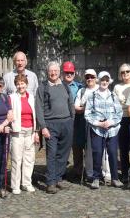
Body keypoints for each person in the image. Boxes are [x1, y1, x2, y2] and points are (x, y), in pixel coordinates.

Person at [35, 61, 74, 194]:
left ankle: (58, 178)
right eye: (51, 71)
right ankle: (50, 182)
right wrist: (43, 127)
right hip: (51, 125)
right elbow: (38, 108)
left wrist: (71, 120)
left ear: (59, 72)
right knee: (51, 154)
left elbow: (71, 103)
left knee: (63, 153)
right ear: (47, 72)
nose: (53, 73)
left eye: (56, 71)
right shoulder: (43, 87)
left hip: (67, 123)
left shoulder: (64, 85)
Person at [84, 71, 123, 189]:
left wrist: (110, 122)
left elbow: (119, 113)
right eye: (102, 80)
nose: (104, 82)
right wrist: (99, 123)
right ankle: (96, 178)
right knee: (97, 153)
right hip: (97, 129)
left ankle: (115, 178)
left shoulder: (113, 96)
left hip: (112, 130)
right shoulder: (92, 96)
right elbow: (87, 113)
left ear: (109, 81)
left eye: (106, 80)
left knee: (112, 152)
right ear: (98, 81)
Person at [9, 74, 39, 195]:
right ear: (15, 85)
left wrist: (36, 132)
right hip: (18, 131)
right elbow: (8, 113)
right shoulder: (11, 97)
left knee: (29, 158)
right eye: (18, 83)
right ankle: (15, 185)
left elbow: (35, 115)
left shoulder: (31, 97)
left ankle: (26, 183)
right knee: (16, 159)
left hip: (30, 131)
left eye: (22, 83)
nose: (21, 86)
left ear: (27, 84)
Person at [113, 63, 130, 183]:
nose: (125, 74)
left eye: (127, 71)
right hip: (122, 118)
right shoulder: (117, 87)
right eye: (122, 72)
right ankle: (125, 173)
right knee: (123, 148)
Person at [74, 69, 99, 181]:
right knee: (88, 149)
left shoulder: (101, 89)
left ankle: (101, 173)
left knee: (100, 149)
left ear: (96, 78)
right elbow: (76, 108)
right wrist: (88, 108)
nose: (89, 79)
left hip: (99, 123)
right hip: (85, 123)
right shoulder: (82, 91)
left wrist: (85, 107)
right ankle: (89, 174)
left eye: (92, 77)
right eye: (87, 77)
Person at [61, 61, 84, 177]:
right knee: (63, 145)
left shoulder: (80, 87)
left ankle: (78, 170)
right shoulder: (58, 86)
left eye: (71, 72)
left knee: (77, 145)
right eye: (66, 73)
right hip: (63, 118)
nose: (69, 75)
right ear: (63, 73)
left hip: (78, 119)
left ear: (74, 73)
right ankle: (62, 170)